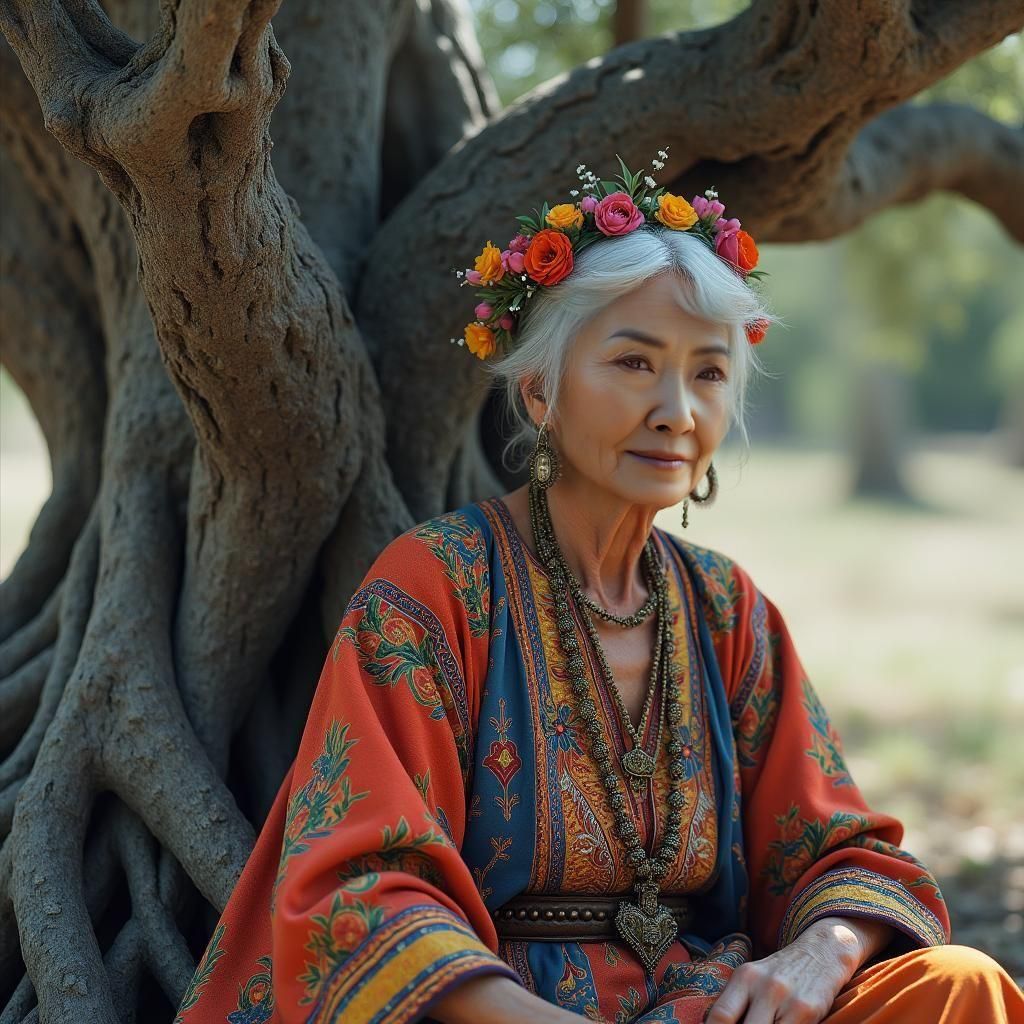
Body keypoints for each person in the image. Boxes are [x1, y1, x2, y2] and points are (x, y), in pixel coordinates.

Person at [175, 156, 1023, 1024]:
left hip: (708, 1005)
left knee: (958, 986)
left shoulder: (728, 611)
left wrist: (821, 951)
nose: (677, 411)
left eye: (708, 373)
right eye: (633, 362)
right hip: (499, 1011)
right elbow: (359, 881)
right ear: (540, 389)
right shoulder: (437, 587)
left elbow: (834, 846)